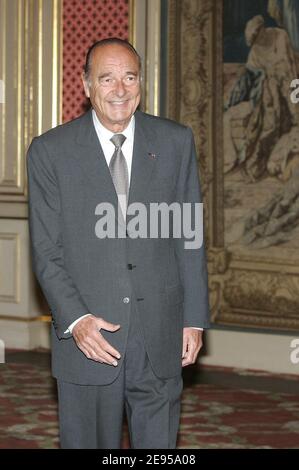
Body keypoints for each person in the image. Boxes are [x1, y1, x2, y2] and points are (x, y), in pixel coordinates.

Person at [27, 38, 210, 449]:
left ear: (140, 82)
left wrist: (193, 319)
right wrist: (76, 321)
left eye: (129, 77)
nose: (120, 89)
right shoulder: (50, 152)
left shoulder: (175, 141)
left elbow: (190, 236)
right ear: (87, 85)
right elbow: (46, 251)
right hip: (89, 338)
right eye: (107, 78)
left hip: (161, 335)